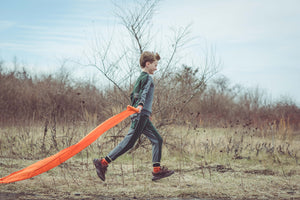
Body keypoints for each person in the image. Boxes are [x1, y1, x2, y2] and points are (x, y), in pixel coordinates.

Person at [93, 51, 174, 181]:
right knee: (129, 142)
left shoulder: (140, 78)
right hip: (140, 115)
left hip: (143, 115)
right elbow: (143, 93)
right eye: (155, 65)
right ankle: (102, 163)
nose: (156, 68)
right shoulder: (147, 78)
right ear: (147, 64)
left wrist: (146, 112)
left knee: (157, 140)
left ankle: (157, 171)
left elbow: (133, 95)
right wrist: (141, 106)